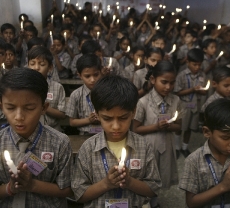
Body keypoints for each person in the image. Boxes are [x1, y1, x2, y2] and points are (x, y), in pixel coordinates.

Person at [0, 68, 73, 207]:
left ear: (44, 108)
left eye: (29, 108)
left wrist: (32, 185)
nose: (19, 117)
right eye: (10, 108)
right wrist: (10, 188)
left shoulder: (60, 143)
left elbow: (67, 189)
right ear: (1, 106)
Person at [71, 75, 161, 207]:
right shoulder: (88, 148)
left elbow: (154, 189)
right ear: (96, 114)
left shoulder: (144, 146)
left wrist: (130, 182)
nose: (116, 126)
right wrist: (106, 184)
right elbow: (79, 195)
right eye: (107, 119)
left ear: (133, 112)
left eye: (123, 118)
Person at [179, 99, 230, 207]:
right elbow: (191, 203)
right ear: (207, 132)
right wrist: (223, 186)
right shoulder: (194, 161)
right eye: (226, 137)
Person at [133, 60, 183, 208]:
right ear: (153, 80)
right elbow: (136, 129)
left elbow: (179, 127)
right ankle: (144, 202)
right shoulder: (143, 102)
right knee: (146, 175)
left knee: (161, 173)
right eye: (164, 82)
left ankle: (153, 203)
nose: (168, 87)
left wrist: (170, 126)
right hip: (148, 145)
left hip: (166, 143)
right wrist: (156, 126)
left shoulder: (176, 101)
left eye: (172, 83)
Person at [174, 48, 207, 157]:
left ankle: (184, 147)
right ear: (187, 62)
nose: (197, 67)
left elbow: (204, 91)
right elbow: (177, 92)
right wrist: (192, 90)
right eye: (194, 64)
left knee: (189, 128)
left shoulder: (202, 75)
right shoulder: (182, 75)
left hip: (195, 106)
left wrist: (202, 91)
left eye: (199, 65)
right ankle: (177, 147)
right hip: (183, 105)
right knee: (180, 127)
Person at [28, 46, 66, 131]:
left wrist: (42, 105)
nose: (36, 67)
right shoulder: (23, 87)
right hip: (30, 130)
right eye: (32, 64)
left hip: (53, 129)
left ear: (50, 67)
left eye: (41, 64)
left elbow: (62, 115)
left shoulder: (57, 87)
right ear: (28, 65)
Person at [66, 54, 102, 135]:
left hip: (105, 134)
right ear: (80, 76)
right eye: (87, 76)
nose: (92, 80)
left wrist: (103, 118)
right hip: (85, 134)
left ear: (101, 72)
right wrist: (88, 120)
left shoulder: (108, 92)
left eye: (96, 75)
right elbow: (72, 122)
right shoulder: (76, 95)